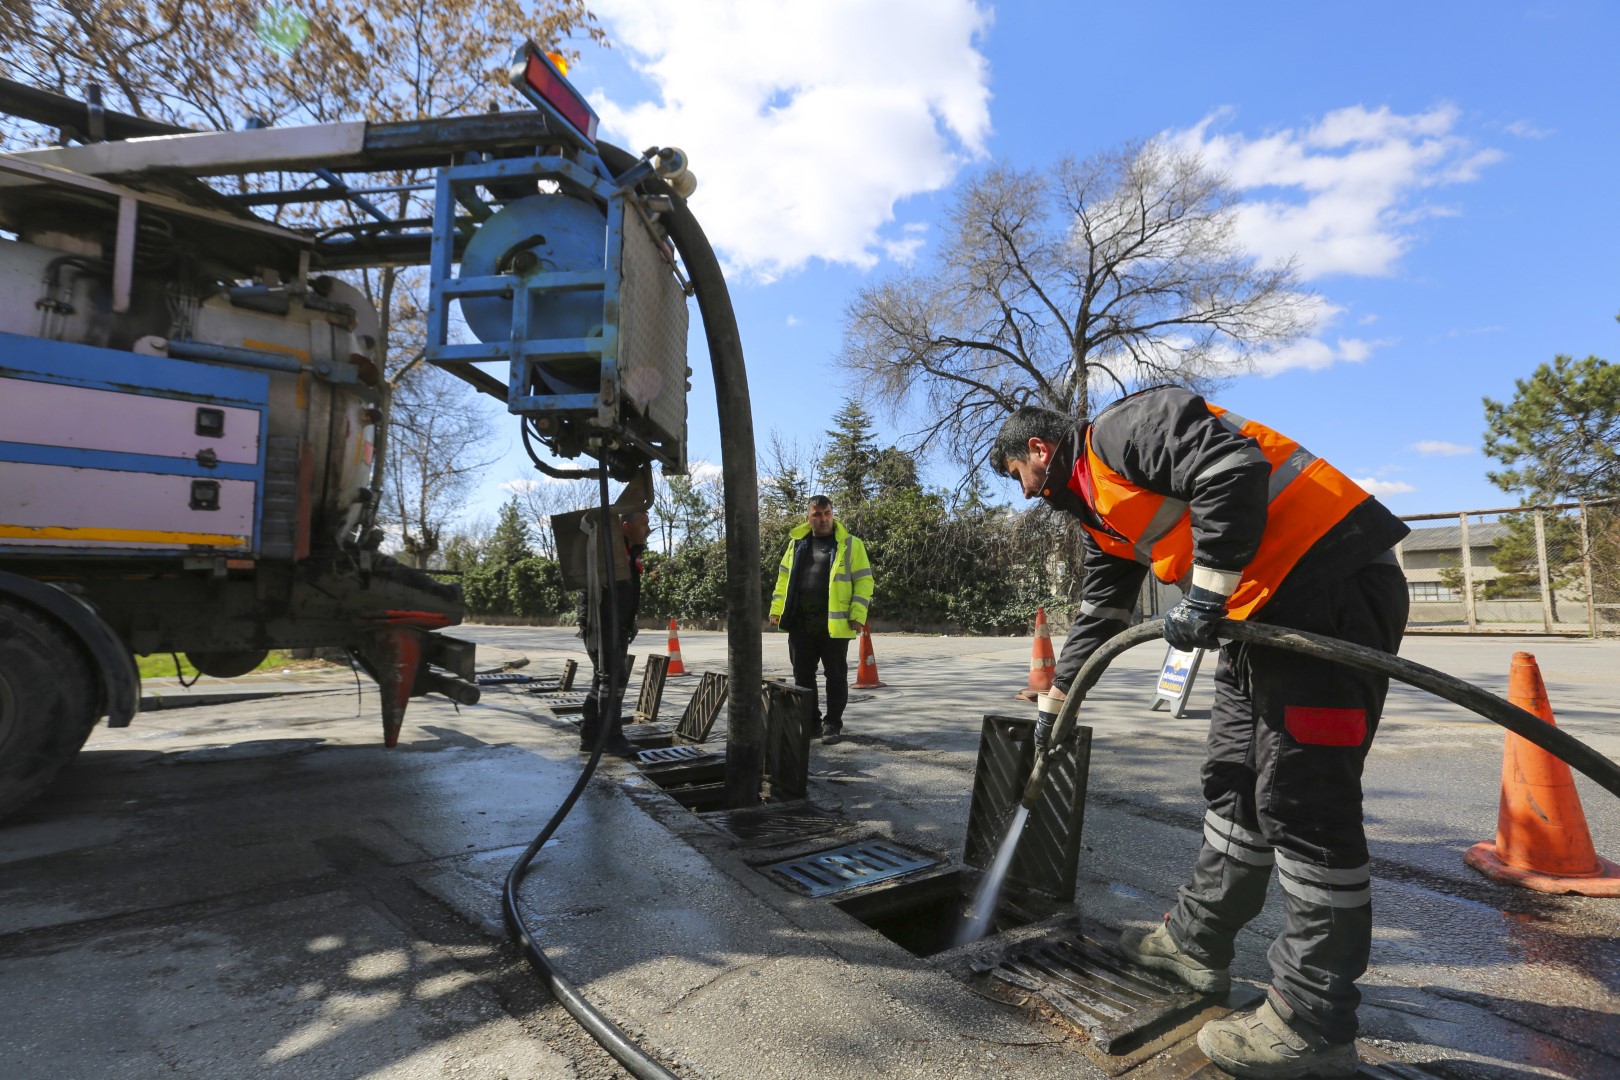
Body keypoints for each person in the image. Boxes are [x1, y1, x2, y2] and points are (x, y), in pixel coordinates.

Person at [990, 387, 1409, 1080]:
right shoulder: (1100, 513)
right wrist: (1053, 709)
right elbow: (1101, 614)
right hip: (1264, 610)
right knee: (1235, 780)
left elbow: (1232, 471)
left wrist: (1207, 593)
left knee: (1304, 802)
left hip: (1330, 585)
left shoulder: (1123, 432)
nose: (1027, 495)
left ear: (1038, 449)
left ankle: (1313, 1022)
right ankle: (1195, 945)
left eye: (1020, 477)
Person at [769, 495, 874, 744]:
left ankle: (833, 724)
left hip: (834, 624)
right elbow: (783, 579)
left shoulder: (850, 544)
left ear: (832, 514)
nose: (823, 518)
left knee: (835, 675)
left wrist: (858, 615)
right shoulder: (796, 544)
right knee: (802, 676)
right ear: (808, 517)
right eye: (816, 514)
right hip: (800, 622)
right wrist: (776, 609)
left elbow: (864, 581)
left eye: (826, 513)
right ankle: (812, 723)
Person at [576, 508, 651, 759]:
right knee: (612, 680)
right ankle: (612, 738)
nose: (648, 529)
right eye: (644, 523)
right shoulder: (610, 551)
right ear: (626, 526)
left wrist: (629, 622)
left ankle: (590, 735)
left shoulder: (629, 553)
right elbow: (593, 589)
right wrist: (596, 623)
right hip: (602, 625)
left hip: (615, 624)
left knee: (603, 680)